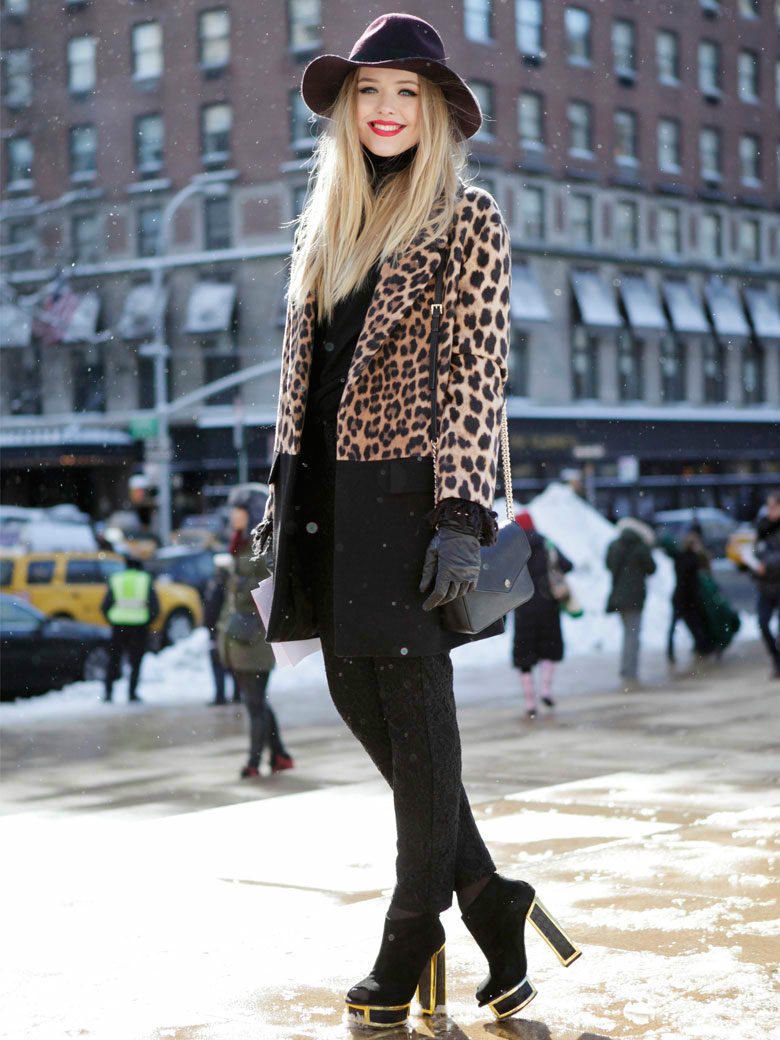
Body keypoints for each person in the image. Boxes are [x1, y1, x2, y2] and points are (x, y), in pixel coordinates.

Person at [251, 14, 580, 1027]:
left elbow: (477, 372)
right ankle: (489, 898)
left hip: (408, 503)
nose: (386, 110)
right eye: (369, 91)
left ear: (435, 112)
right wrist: (275, 504)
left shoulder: (467, 216)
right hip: (323, 505)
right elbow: (302, 386)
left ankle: (413, 928)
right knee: (363, 704)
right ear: (347, 110)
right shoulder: (326, 223)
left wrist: (460, 515)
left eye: (407, 93)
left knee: (416, 717)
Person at [218, 484, 293, 778]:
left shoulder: (262, 547)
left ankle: (253, 762)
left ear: (250, 513)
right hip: (240, 637)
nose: (232, 515)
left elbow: (265, 588)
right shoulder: (241, 543)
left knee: (255, 704)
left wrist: (237, 584)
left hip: (255, 638)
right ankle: (280, 755)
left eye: (237, 510)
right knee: (257, 701)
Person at [512, 511, 573, 719]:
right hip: (548, 605)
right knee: (549, 648)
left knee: (524, 655)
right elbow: (568, 565)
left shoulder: (514, 548)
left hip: (523, 607)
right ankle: (546, 690)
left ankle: (530, 702)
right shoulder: (546, 544)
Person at [101, 555, 159, 703]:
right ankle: (132, 693)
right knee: (136, 661)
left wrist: (112, 619)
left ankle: (108, 692)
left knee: (114, 659)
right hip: (139, 626)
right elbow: (155, 606)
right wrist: (148, 621)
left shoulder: (117, 578)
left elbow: (105, 605)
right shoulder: (144, 579)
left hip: (119, 626)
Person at [605, 517, 656, 686]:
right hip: (635, 597)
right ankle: (629, 671)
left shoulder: (614, 546)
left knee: (628, 633)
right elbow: (652, 568)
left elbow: (608, 565)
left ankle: (626, 668)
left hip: (618, 596)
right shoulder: (641, 547)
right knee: (632, 635)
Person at [660, 527, 715, 663]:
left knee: (676, 627)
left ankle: (671, 653)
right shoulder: (694, 559)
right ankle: (703, 648)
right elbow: (704, 574)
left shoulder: (681, 557)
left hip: (680, 597)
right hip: (689, 599)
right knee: (696, 625)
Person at [203, 556, 240, 706]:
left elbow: (211, 610)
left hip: (219, 630)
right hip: (234, 628)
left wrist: (209, 626)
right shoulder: (235, 583)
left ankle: (220, 696)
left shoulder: (217, 585)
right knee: (233, 663)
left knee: (218, 662)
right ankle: (237, 694)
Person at [753, 490, 780, 679]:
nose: (770, 510)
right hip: (765, 586)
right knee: (763, 623)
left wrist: (767, 565)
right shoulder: (762, 526)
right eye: (768, 506)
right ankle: (776, 660)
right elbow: (756, 550)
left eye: (774, 506)